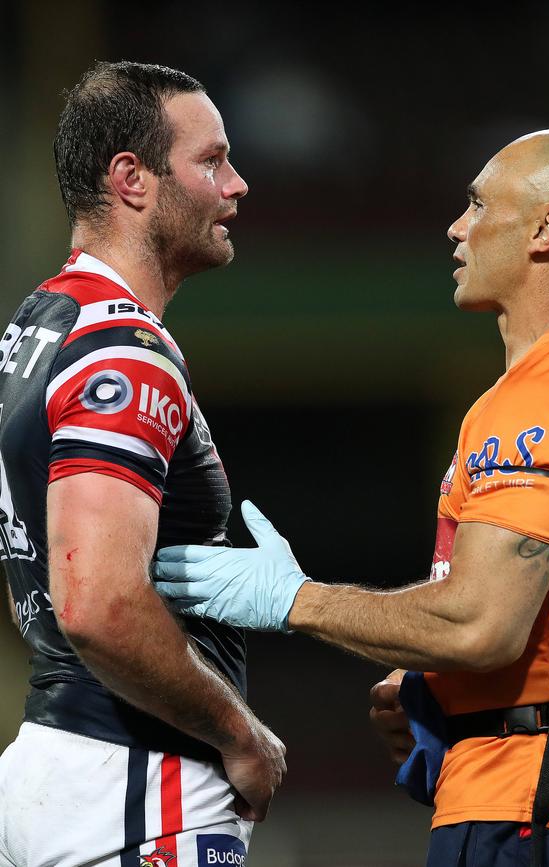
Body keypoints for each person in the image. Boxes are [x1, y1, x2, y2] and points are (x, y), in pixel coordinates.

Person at [154, 129, 549, 866]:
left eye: (480, 203)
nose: (458, 226)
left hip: (531, 805)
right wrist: (432, 682)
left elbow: (483, 624)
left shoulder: (533, 407)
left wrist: (296, 598)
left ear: (548, 229)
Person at [0, 61, 286, 867]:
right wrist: (241, 733)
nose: (235, 184)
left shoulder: (41, 322)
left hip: (62, 765)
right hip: (134, 779)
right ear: (132, 180)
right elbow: (96, 603)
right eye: (210, 160)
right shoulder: (123, 347)